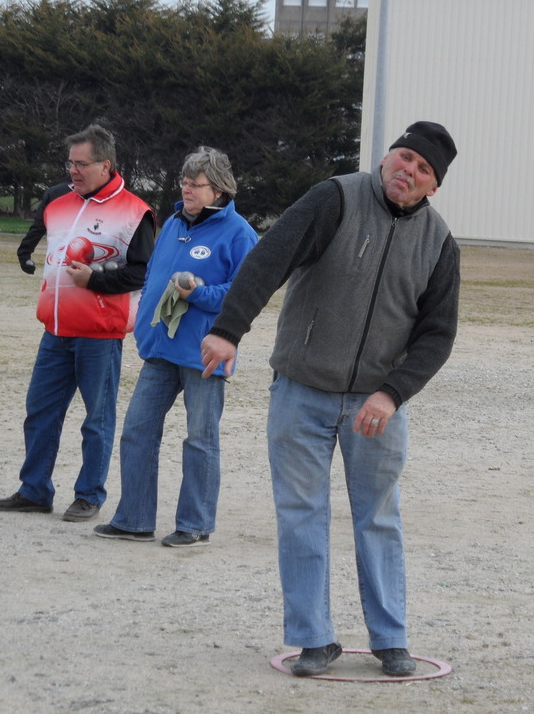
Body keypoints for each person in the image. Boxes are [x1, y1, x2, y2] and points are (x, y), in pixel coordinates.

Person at [200, 121, 459, 678]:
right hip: (301, 390)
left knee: (379, 518)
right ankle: (313, 638)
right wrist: (229, 329)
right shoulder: (335, 198)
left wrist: (392, 394)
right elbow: (269, 259)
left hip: (376, 406)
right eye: (405, 157)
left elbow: (437, 335)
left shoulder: (439, 244)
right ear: (387, 156)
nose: (409, 171)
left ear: (433, 186)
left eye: (423, 169)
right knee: (301, 515)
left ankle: (391, 639)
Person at [0, 124, 156, 521]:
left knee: (96, 420)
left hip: (99, 335)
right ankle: (34, 491)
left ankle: (89, 495)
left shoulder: (136, 212)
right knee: (40, 412)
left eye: (82, 164)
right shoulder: (57, 201)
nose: (73, 170)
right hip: (55, 330)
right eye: (70, 162)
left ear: (105, 165)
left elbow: (142, 273)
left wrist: (94, 280)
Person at [92, 147, 257, 547]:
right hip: (161, 350)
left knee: (200, 439)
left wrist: (198, 293)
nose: (187, 189)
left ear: (218, 190)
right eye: (184, 181)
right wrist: (145, 314)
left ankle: (194, 523)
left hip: (204, 352)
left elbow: (246, 294)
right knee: (136, 431)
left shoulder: (240, 234)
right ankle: (134, 519)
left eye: (196, 184)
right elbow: (152, 275)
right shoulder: (171, 224)